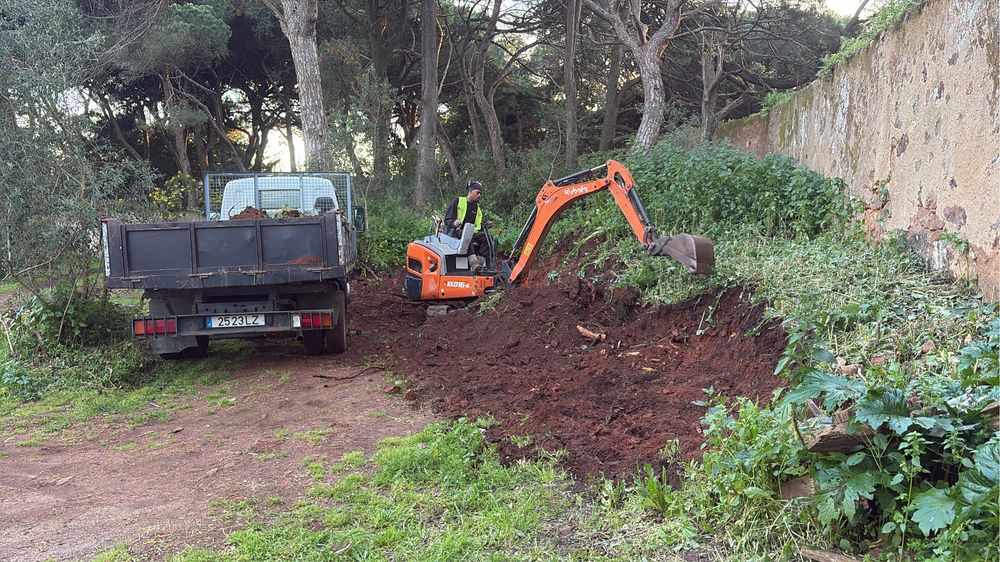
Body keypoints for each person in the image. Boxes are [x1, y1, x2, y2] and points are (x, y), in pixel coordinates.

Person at [444, 181, 490, 269]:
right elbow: (447, 219)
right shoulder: (458, 201)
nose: (479, 195)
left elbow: (477, 226)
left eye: (480, 193)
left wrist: (485, 225)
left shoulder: (477, 209)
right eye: (478, 192)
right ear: (470, 191)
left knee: (487, 237)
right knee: (467, 234)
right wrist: (454, 222)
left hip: (470, 233)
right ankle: (474, 263)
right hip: (455, 232)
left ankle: (480, 263)